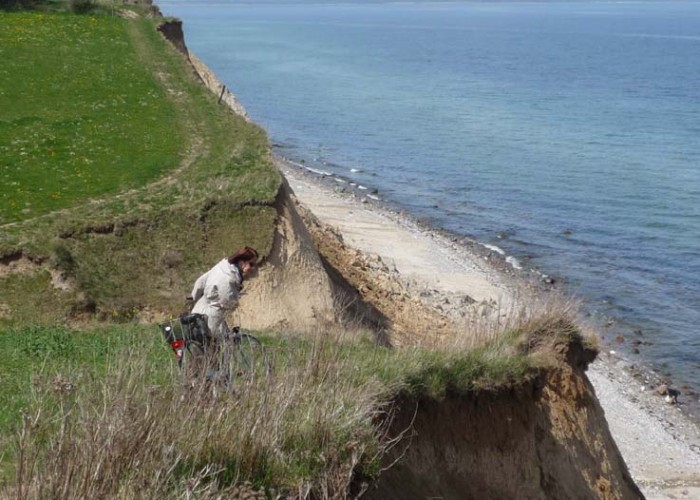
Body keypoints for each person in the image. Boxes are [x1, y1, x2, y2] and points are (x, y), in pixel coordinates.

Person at [190, 246, 259, 339]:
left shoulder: (221, 267)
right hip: (212, 318)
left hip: (198, 310)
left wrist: (194, 297)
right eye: (251, 264)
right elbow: (227, 302)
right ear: (242, 262)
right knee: (224, 344)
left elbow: (200, 282)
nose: (253, 268)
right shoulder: (228, 278)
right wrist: (236, 302)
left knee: (207, 345)